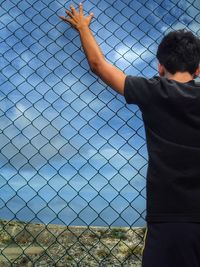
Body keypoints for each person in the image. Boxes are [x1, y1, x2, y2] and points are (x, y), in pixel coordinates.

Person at [59, 3, 200, 267]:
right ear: (198, 70)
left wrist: (83, 27)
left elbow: (98, 65)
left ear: (160, 67)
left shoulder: (153, 91)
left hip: (167, 218)